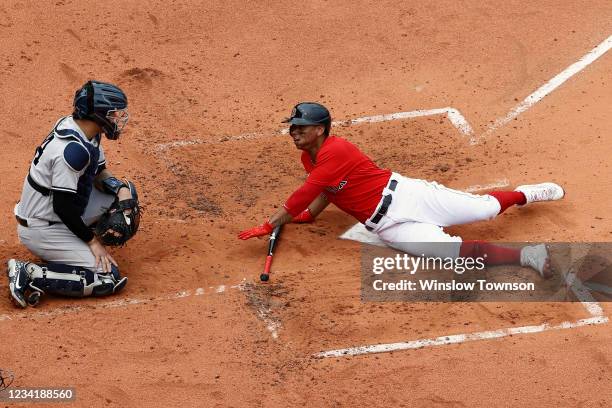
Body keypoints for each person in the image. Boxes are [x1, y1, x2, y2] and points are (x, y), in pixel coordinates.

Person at [238, 102, 565, 277]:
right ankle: (527, 255)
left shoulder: (334, 150)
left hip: (408, 196)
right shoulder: (309, 158)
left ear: (320, 129)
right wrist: (309, 216)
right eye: (292, 127)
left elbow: (303, 194)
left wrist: (270, 224)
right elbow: (326, 190)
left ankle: (526, 194)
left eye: (300, 127)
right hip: (389, 227)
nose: (293, 131)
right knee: (452, 256)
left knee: (486, 210)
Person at [7, 80, 141, 308]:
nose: (119, 118)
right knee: (108, 278)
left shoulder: (85, 132)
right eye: (113, 114)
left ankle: (68, 249)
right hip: (42, 227)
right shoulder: (72, 152)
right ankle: (29, 273)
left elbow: (98, 172)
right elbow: (63, 207)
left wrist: (121, 189)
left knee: (122, 200)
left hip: (51, 213)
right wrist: (92, 242)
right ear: (98, 115)